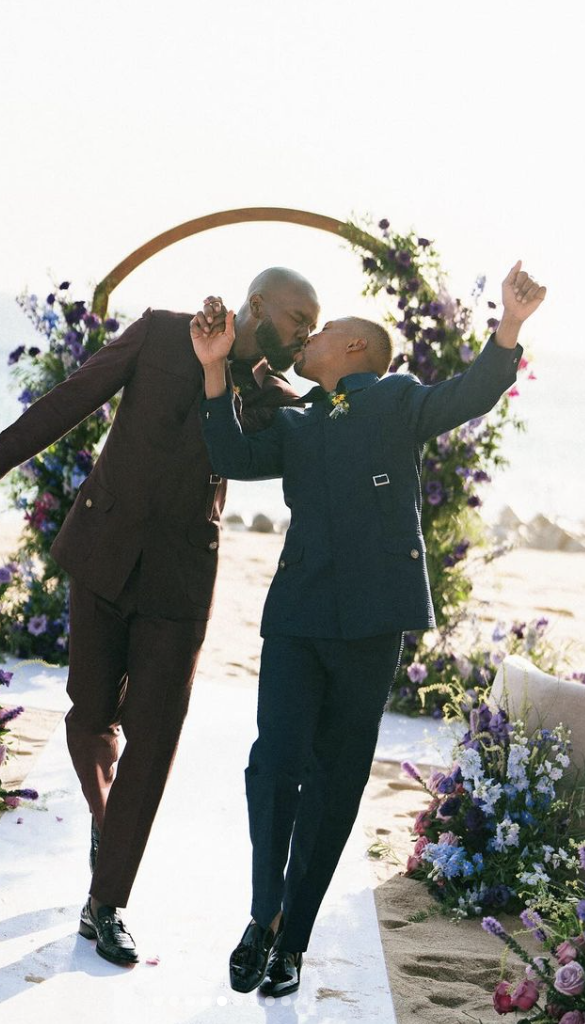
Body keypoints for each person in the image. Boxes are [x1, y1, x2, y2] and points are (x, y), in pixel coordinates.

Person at [190, 259, 546, 997]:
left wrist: (509, 324)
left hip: (373, 625)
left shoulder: (395, 400)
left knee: (336, 782)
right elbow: (227, 453)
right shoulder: (295, 422)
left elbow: (474, 391)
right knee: (273, 766)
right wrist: (214, 372)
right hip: (297, 620)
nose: (309, 338)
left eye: (323, 332)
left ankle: (293, 937)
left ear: (356, 349)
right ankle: (263, 916)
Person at [0, 268, 320, 965]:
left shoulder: (273, 397)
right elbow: (72, 399)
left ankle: (106, 902)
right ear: (259, 304)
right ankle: (109, 825)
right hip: (104, 551)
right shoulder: (159, 332)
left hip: (180, 584)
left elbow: (291, 438)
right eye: (299, 318)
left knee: (153, 739)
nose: (305, 334)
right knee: (89, 715)